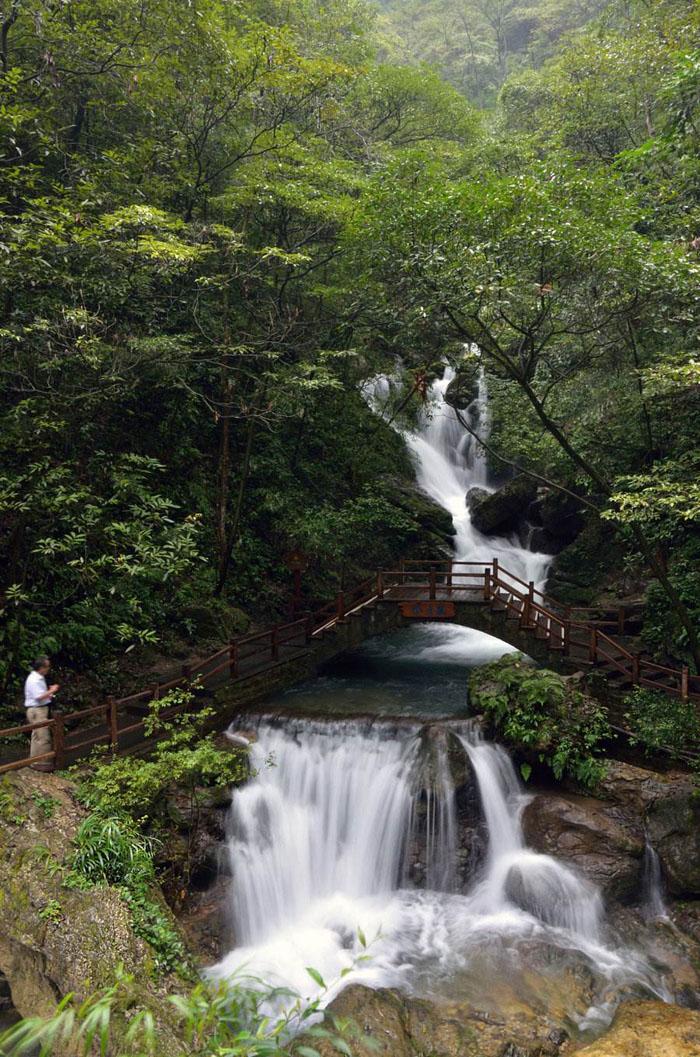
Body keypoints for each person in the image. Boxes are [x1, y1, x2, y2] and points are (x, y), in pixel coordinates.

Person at [24, 656, 59, 771]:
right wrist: (52, 690)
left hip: (38, 709)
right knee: (43, 737)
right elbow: (38, 696)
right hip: (37, 710)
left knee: (37, 736)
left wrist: (48, 693)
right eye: (47, 666)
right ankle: (44, 764)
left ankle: (34, 761)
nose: (48, 668)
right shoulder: (34, 679)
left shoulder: (38, 678)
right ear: (41, 668)